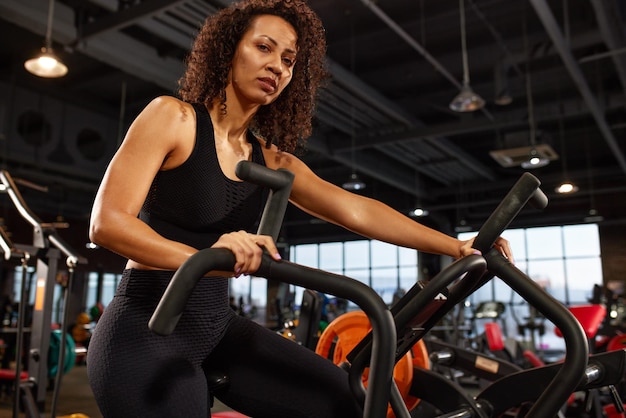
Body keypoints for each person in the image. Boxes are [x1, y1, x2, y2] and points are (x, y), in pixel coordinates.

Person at [86, 0, 513, 417]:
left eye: (289, 61)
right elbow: (107, 224)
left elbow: (354, 210)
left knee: (346, 402)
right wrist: (205, 259)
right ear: (229, 49)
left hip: (214, 324)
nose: (278, 67)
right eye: (264, 48)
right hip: (142, 326)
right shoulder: (172, 118)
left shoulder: (271, 160)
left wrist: (456, 246)